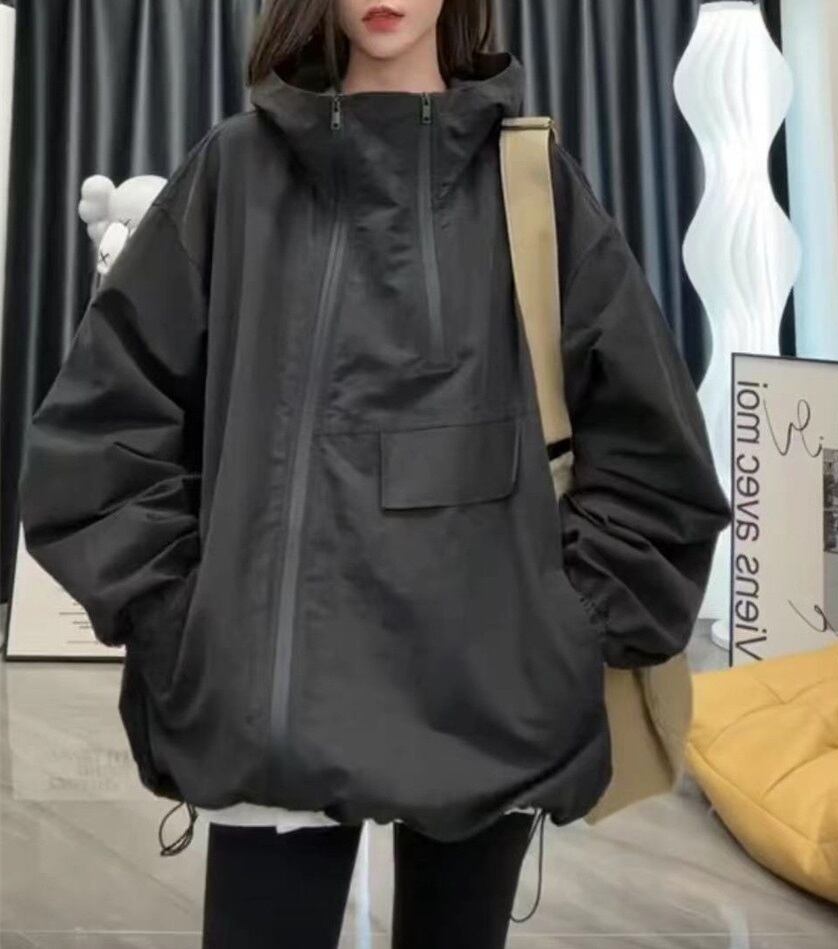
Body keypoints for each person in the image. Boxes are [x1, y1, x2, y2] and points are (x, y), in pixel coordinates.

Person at [17, 0, 733, 946]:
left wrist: (571, 629)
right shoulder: (238, 171)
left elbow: (653, 451)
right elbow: (102, 431)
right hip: (269, 714)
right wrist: (187, 626)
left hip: (495, 706)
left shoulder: (531, 185)